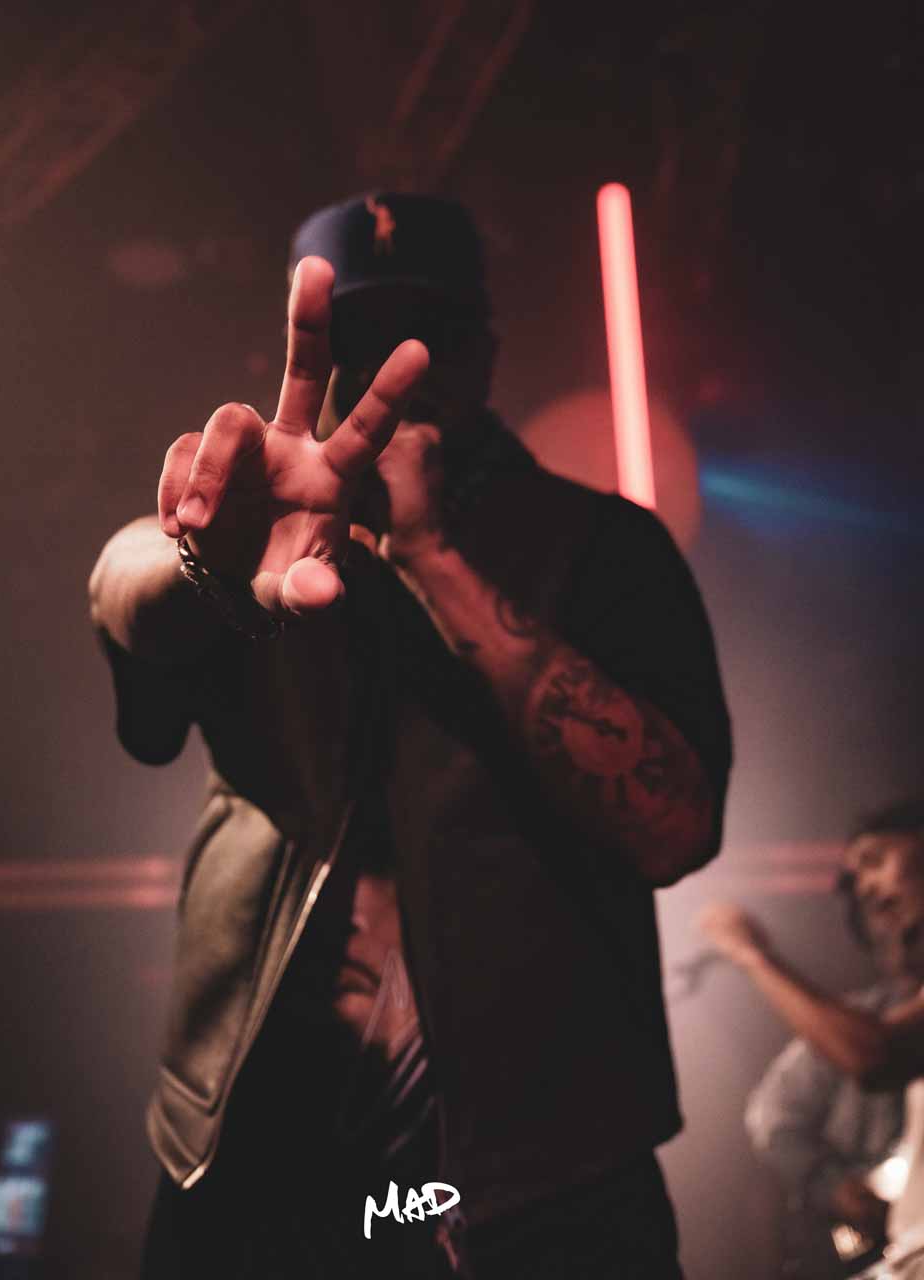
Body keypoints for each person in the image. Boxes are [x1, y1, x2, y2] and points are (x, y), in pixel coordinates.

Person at [90, 192, 733, 1278]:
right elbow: (122, 590)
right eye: (359, 337)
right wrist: (207, 560)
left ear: (483, 352)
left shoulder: (606, 549)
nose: (392, 367)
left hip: (546, 1176)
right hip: (260, 1153)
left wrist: (432, 552)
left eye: (422, 336)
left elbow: (673, 827)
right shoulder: (255, 531)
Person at [700, 801, 924, 1278]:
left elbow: (874, 1055)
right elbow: (774, 1114)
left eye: (876, 861)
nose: (866, 889)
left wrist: (751, 954)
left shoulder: (867, 1031)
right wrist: (835, 1188)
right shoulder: (872, 1012)